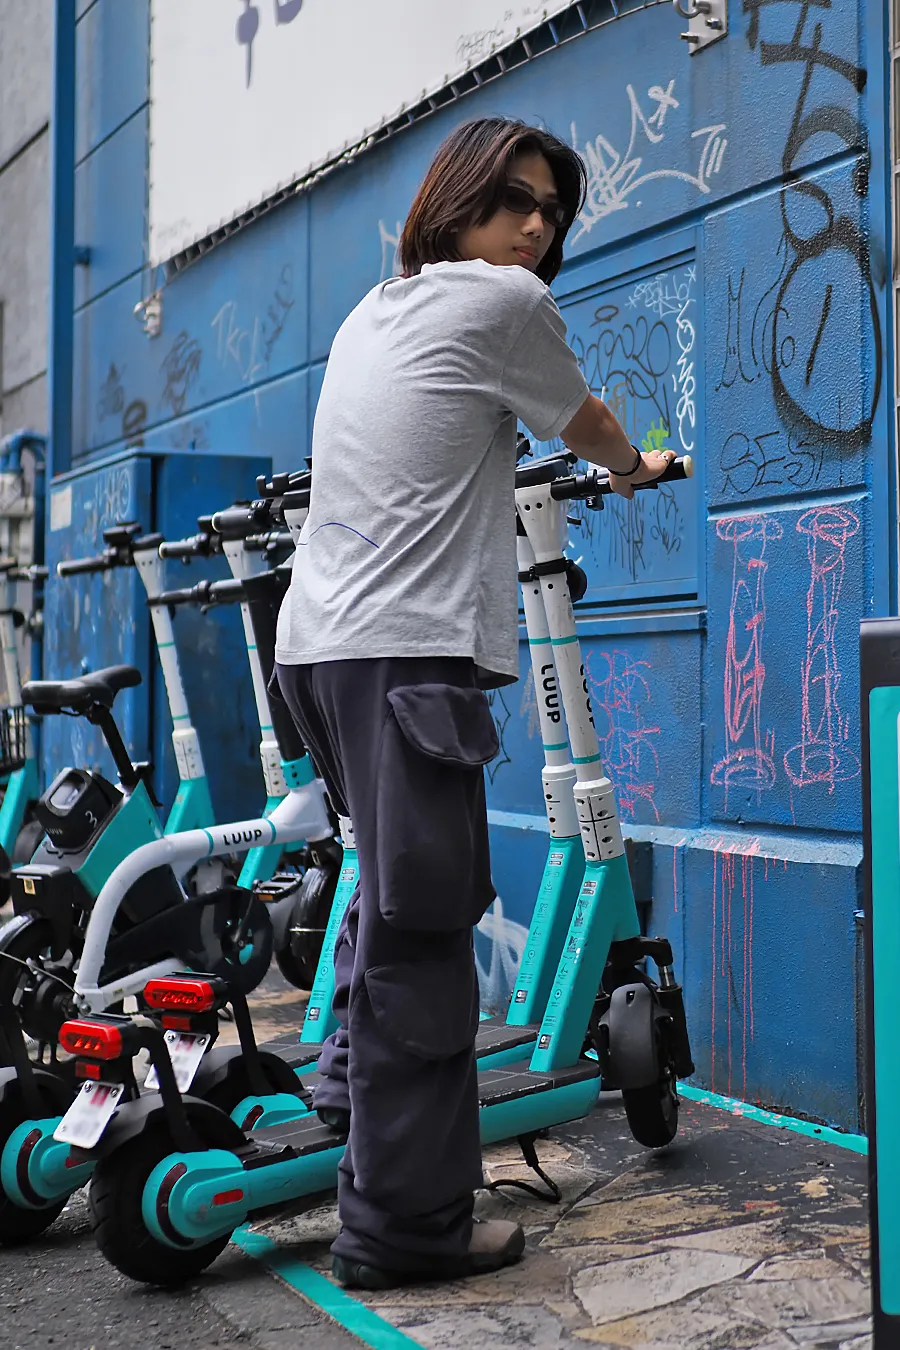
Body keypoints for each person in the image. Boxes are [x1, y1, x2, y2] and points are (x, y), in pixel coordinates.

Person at [273, 116, 675, 1290]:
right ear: (457, 202)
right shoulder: (503, 303)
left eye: (553, 211)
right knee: (425, 936)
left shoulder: (376, 308)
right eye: (516, 200)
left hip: (320, 651)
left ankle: (347, 1098)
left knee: (384, 896)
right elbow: (587, 422)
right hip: (402, 656)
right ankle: (404, 1228)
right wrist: (631, 469)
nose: (537, 226)